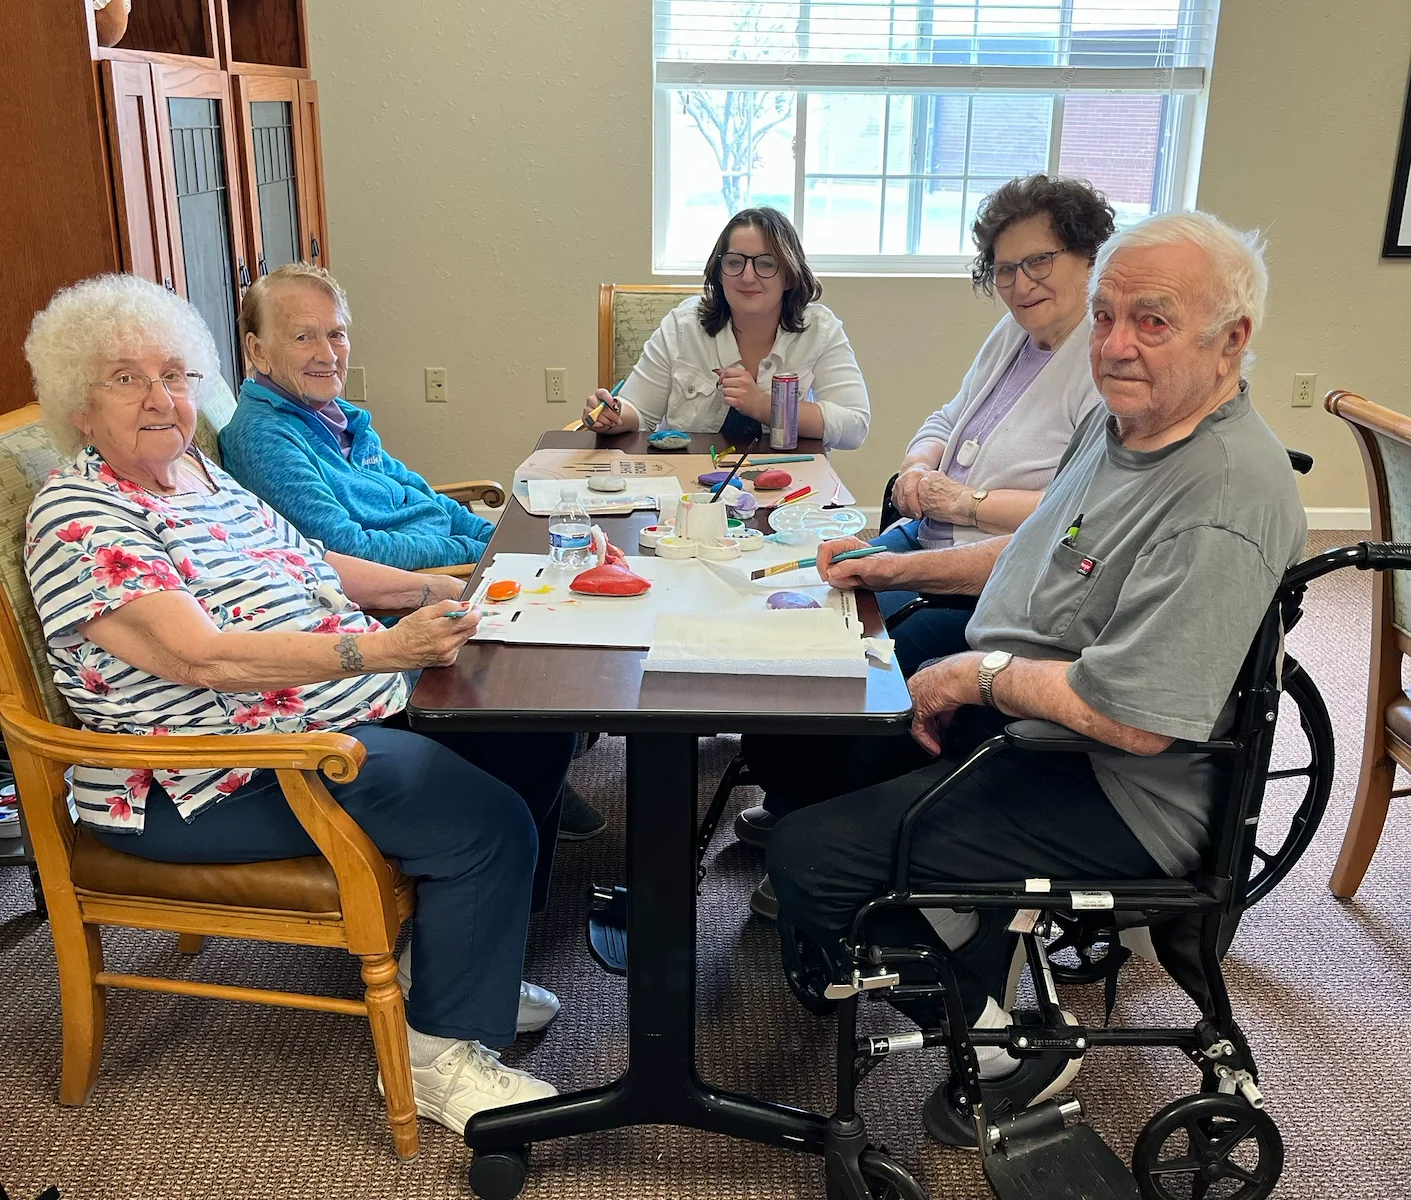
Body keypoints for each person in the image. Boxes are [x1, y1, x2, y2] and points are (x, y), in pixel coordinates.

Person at [765, 211, 1306, 1144]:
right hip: (1036, 723)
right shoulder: (1123, 425)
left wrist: (975, 675)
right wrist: (888, 572)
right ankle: (969, 942)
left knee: (811, 862)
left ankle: (1004, 1041)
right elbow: (1036, 549)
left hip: (1115, 785)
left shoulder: (1221, 495)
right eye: (1104, 317)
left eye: (1151, 320)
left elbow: (1134, 721)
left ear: (1231, 342)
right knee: (815, 739)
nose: (1114, 345)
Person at [23, 274, 575, 1135]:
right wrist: (380, 649)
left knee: (529, 737)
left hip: (315, 718)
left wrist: (459, 587)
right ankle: (439, 1058)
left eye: (174, 373)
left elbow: (318, 566)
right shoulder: (81, 514)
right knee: (481, 816)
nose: (163, 398)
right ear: (77, 406)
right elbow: (194, 655)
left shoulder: (200, 475)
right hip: (203, 780)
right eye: (126, 378)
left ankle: (459, 971)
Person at [735, 176, 1117, 902]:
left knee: (862, 665)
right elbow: (948, 415)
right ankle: (794, 797)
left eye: (1038, 262)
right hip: (924, 532)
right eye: (1003, 269)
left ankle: (829, 835)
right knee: (792, 608)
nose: (1019, 284)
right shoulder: (1014, 335)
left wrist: (965, 499)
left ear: (1089, 255)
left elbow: (1075, 519)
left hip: (991, 573)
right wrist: (919, 460)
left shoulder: (1100, 360)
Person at [220, 263, 605, 839]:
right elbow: (339, 549)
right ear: (258, 350)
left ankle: (536, 782)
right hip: (389, 606)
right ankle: (520, 797)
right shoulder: (265, 436)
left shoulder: (341, 419)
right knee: (554, 654)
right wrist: (476, 558)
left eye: (337, 333)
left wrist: (506, 540)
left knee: (582, 585)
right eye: (304, 336)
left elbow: (427, 500)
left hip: (445, 568)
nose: (328, 352)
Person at [580, 207, 870, 451]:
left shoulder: (819, 329)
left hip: (786, 482)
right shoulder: (683, 325)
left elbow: (854, 426)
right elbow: (638, 411)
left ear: (790, 275)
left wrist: (762, 406)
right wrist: (613, 414)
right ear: (719, 272)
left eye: (766, 264)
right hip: (686, 484)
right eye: (734, 262)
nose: (747, 276)